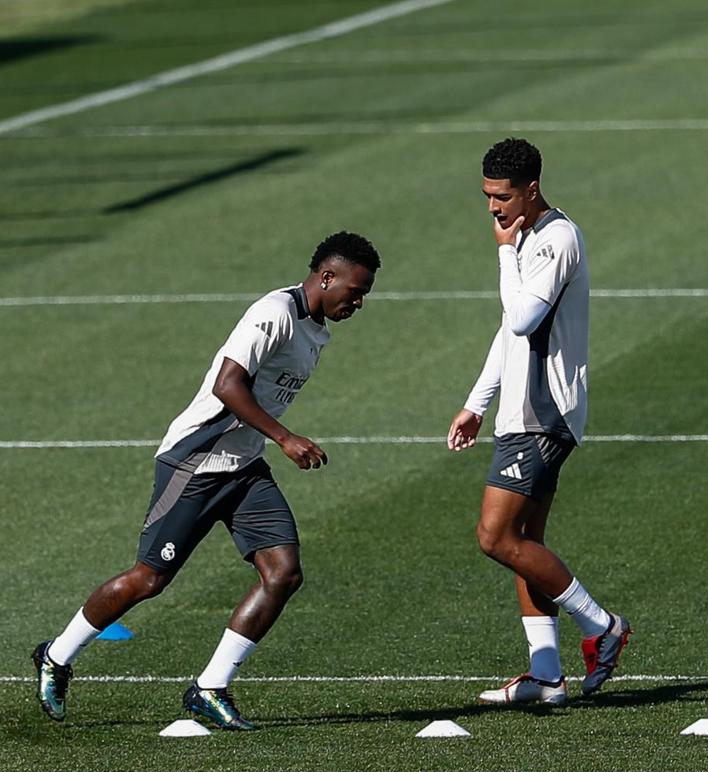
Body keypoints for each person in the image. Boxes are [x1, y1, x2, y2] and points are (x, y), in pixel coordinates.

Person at [32, 231, 380, 731]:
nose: (359, 301)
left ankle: (210, 687)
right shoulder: (274, 314)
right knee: (149, 579)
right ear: (327, 277)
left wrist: (267, 443)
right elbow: (227, 384)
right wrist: (285, 438)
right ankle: (57, 656)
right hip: (196, 462)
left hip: (242, 467)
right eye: (355, 289)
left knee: (283, 573)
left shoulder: (315, 329)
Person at [447, 138, 629, 706]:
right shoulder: (528, 237)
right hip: (522, 412)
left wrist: (504, 253)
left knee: (494, 536)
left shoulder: (554, 239)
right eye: (486, 197)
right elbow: (509, 334)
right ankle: (547, 676)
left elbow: (523, 318)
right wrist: (478, 402)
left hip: (542, 415)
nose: (493, 209)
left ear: (531, 188)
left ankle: (603, 626)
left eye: (502, 197)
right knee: (526, 541)